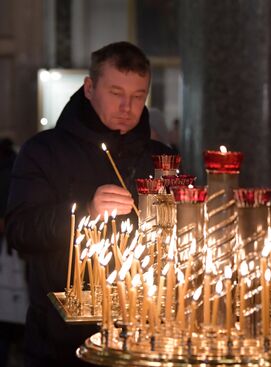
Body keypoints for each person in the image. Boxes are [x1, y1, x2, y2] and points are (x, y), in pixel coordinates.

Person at [6, 41, 174, 366]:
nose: (127, 106)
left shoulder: (159, 157)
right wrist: (86, 212)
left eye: (138, 96)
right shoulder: (43, 151)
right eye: (115, 92)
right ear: (89, 87)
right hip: (61, 341)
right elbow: (20, 230)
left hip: (144, 335)